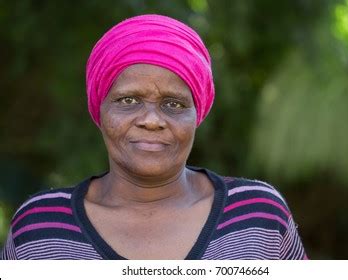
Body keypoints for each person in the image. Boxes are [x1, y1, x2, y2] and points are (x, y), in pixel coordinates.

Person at [1, 14, 307, 260]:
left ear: (197, 116)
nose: (151, 120)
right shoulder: (42, 227)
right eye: (128, 100)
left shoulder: (257, 216)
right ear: (100, 109)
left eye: (173, 104)